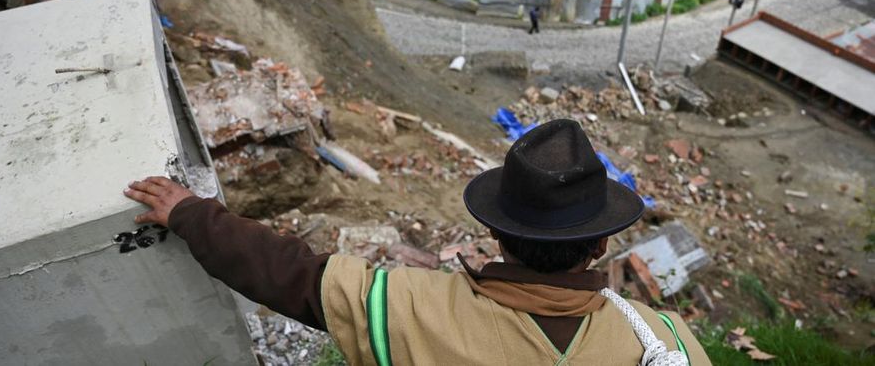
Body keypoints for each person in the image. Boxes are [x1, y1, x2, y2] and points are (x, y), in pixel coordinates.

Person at [125, 119, 711, 365]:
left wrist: (191, 214)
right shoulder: (666, 342)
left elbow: (291, 274)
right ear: (601, 244)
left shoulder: (410, 309)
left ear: (495, 231)